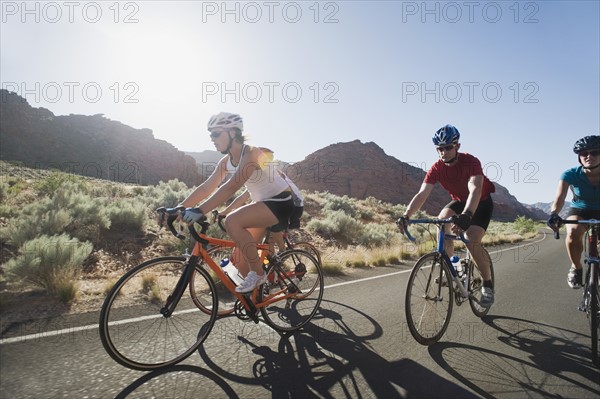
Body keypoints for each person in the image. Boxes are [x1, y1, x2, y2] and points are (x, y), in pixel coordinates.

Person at [178, 112, 294, 293]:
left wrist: (200, 210)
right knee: (241, 258)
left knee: (233, 221)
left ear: (233, 133)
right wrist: (181, 207)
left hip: (281, 202)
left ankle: (259, 274)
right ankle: (256, 299)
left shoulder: (252, 153)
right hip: (263, 204)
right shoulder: (226, 161)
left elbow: (232, 186)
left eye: (216, 134)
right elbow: (207, 187)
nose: (212, 139)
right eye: (210, 135)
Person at [397, 124, 496, 307]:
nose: (443, 152)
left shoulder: (471, 161)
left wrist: (467, 215)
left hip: (480, 202)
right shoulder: (436, 168)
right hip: (459, 201)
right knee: (442, 221)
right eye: (439, 149)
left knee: (470, 238)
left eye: (448, 147)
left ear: (457, 146)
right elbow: (422, 194)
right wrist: (406, 215)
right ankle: (454, 268)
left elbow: (475, 189)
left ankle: (488, 284)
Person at [547, 135, 600, 288]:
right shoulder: (570, 174)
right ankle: (576, 268)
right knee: (573, 233)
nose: (589, 156)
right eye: (584, 154)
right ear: (579, 157)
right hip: (580, 209)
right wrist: (554, 214)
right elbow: (559, 198)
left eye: (595, 152)